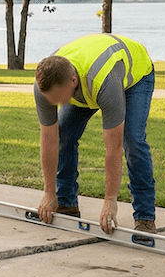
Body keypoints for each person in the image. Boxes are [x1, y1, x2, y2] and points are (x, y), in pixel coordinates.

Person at [33, 33, 157, 235]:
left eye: (57, 97)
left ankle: (145, 216)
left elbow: (113, 148)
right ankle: (66, 203)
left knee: (132, 139)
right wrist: (48, 192)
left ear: (73, 81)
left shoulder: (103, 83)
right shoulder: (44, 88)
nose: (54, 103)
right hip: (88, 77)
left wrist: (110, 201)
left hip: (136, 76)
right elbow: (49, 140)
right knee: (64, 134)